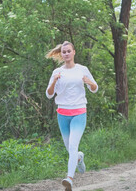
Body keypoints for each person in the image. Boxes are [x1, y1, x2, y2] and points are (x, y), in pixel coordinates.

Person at [45, 41, 98, 191]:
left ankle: (69, 179)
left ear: (74, 52)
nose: (66, 54)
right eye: (64, 52)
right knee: (71, 149)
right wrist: (54, 82)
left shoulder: (82, 69)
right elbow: (49, 95)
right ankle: (79, 158)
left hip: (79, 112)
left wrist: (90, 82)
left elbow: (94, 88)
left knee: (73, 145)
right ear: (61, 54)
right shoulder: (57, 72)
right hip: (62, 114)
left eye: (69, 51)